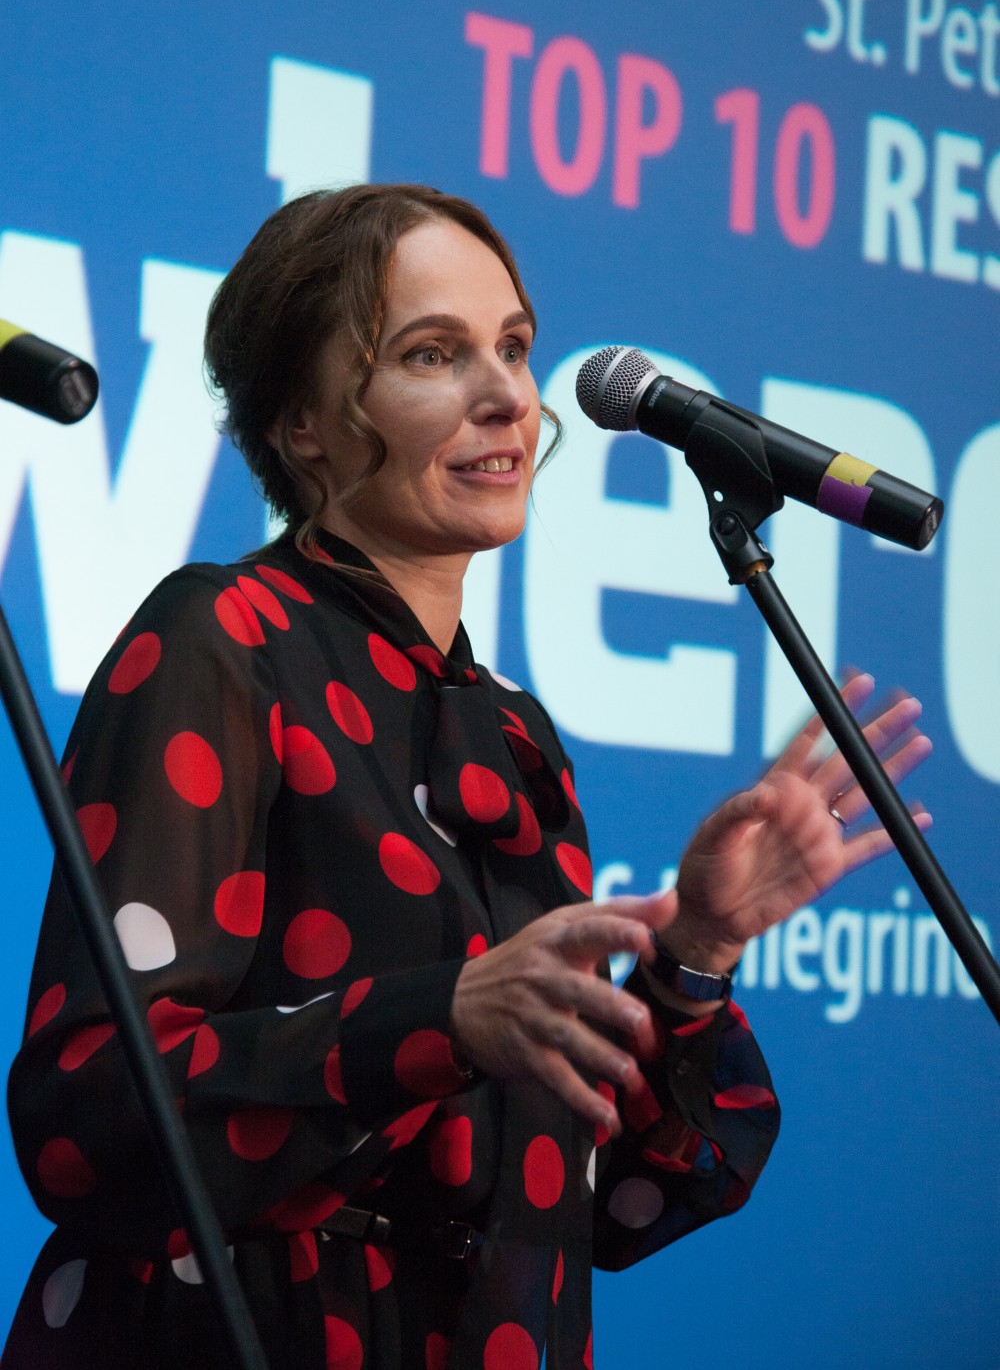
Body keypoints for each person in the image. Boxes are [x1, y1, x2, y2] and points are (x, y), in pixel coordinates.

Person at [2, 185, 931, 1370]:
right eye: (433, 354)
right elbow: (90, 1120)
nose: (507, 396)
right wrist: (440, 1016)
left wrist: (694, 951)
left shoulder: (513, 733)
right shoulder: (222, 639)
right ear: (302, 420)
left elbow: (606, 1200)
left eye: (514, 347)